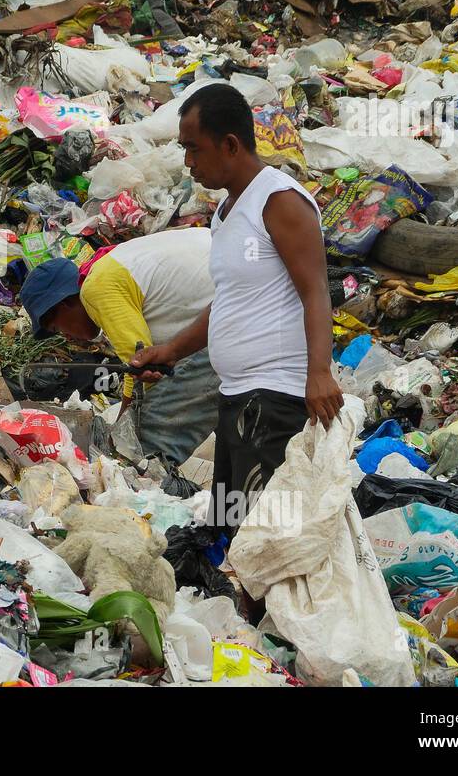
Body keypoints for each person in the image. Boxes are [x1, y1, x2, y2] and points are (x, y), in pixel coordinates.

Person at [130, 82, 342, 531]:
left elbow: (316, 292)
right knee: (232, 529)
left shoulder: (279, 201)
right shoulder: (227, 211)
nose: (188, 163)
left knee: (266, 533)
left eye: (193, 148)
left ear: (229, 144)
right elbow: (228, 302)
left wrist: (319, 372)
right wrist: (170, 350)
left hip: (275, 398)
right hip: (235, 397)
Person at [19, 228, 217, 467]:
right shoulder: (111, 265)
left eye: (56, 327)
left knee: (147, 438)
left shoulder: (95, 288)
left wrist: (122, 430)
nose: (66, 337)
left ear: (64, 303)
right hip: (243, 303)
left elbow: (140, 368)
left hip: (237, 318)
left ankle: (152, 494)